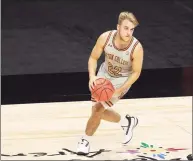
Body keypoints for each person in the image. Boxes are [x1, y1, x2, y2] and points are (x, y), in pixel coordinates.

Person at [77, 11, 144, 155]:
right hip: (104, 76)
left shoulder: (136, 48)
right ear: (118, 27)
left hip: (121, 81)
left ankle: (85, 140)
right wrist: (92, 77)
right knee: (96, 111)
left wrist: (121, 89)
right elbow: (93, 58)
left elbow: (136, 72)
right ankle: (126, 122)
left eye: (132, 29)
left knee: (97, 110)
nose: (129, 32)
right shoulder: (105, 37)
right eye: (126, 28)